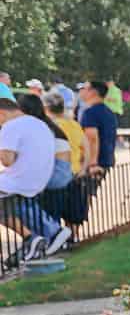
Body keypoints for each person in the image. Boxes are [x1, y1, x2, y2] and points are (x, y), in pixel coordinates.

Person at [0, 85, 59, 263]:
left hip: (18, 183)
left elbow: (7, 161)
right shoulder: (39, 123)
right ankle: (44, 233)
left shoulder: (10, 126)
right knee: (10, 205)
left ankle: (30, 238)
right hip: (39, 180)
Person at [13, 92, 73, 254]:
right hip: (61, 172)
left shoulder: (37, 128)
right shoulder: (45, 124)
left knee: (15, 197)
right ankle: (44, 235)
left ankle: (50, 233)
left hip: (56, 174)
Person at [78, 79, 120, 178]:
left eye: (84, 88)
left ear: (93, 92)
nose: (81, 91)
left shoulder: (90, 113)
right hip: (106, 160)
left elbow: (92, 138)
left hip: (94, 165)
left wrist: (92, 164)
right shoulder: (109, 112)